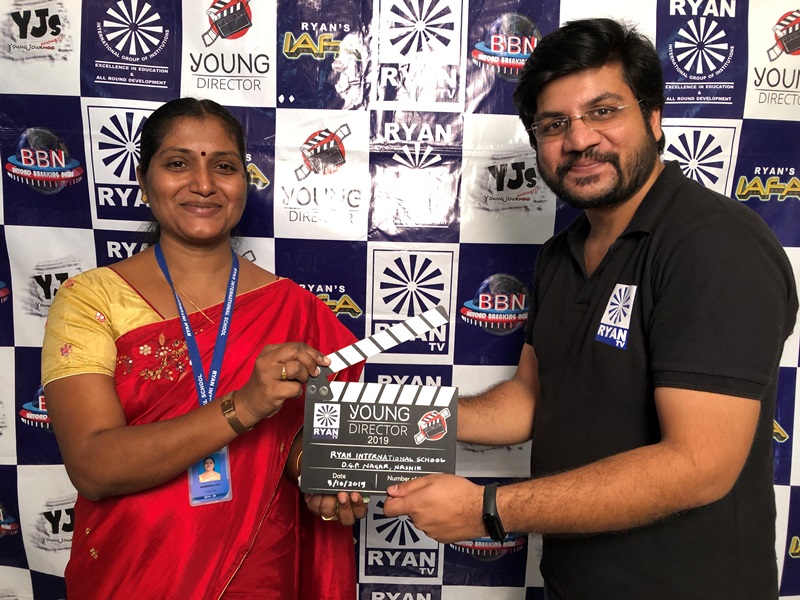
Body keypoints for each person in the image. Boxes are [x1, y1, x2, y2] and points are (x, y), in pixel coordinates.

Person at [383, 18, 798, 600]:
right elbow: (530, 399)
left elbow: (699, 463)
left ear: (654, 117)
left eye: (603, 111)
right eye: (554, 124)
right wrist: (383, 425)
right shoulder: (561, 254)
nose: (579, 140)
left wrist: (489, 509)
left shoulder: (713, 244)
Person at [41, 97, 367, 599]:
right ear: (144, 182)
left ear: (244, 183)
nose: (204, 183)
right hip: (134, 572)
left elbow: (293, 442)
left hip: (259, 572)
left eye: (224, 166)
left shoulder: (293, 307)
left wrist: (322, 474)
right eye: (178, 163)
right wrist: (245, 406)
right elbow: (93, 466)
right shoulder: (90, 300)